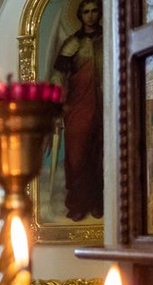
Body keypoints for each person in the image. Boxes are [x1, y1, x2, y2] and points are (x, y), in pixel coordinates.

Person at [49, 0, 104, 221]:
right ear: (80, 16)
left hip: (104, 105)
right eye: (86, 12)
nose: (91, 16)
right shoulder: (73, 44)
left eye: (94, 11)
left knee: (99, 155)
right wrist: (55, 103)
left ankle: (98, 202)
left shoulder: (108, 39)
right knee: (77, 155)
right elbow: (57, 75)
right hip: (79, 106)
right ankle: (78, 203)